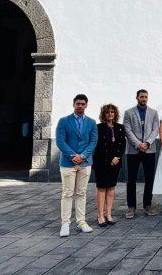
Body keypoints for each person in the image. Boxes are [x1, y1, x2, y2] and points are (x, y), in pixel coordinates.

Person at [55, 94, 98, 237]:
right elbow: (60, 141)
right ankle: (65, 223)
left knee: (81, 193)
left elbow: (93, 141)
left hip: (85, 163)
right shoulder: (64, 121)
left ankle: (81, 222)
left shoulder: (91, 123)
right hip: (68, 163)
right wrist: (73, 155)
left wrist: (83, 155)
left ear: (86, 105)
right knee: (67, 193)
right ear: (74, 104)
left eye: (83, 104)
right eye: (78, 103)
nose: (80, 106)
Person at [124, 89, 160, 218]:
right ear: (137, 97)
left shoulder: (154, 113)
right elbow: (127, 130)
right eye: (141, 96)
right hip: (133, 150)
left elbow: (156, 129)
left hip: (149, 150)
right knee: (131, 179)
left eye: (145, 97)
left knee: (149, 178)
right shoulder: (128, 113)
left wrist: (147, 143)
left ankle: (147, 205)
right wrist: (138, 144)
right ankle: (131, 207)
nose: (144, 99)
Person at [93, 103, 126, 227]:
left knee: (111, 188)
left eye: (112, 112)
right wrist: (109, 159)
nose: (110, 114)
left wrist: (117, 157)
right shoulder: (98, 127)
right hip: (102, 162)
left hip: (115, 162)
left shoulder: (120, 127)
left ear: (115, 114)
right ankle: (100, 215)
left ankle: (109, 214)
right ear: (103, 114)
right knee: (102, 188)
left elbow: (122, 144)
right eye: (107, 112)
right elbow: (99, 146)